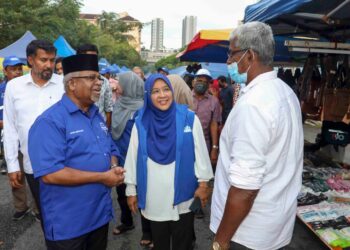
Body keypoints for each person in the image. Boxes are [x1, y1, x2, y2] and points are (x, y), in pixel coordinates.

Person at [210, 21, 303, 250]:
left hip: (245, 235)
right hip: (273, 228)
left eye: (232, 53)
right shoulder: (285, 92)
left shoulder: (254, 105)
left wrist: (220, 241)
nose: (228, 61)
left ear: (249, 56)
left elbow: (245, 188)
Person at [28, 54, 125, 249]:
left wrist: (113, 166)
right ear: (72, 84)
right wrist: (102, 177)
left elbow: (111, 148)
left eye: (99, 78)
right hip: (69, 224)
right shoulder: (50, 122)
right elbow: (51, 173)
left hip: (99, 217)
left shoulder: (96, 115)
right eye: (91, 78)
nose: (99, 83)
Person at [125, 73, 213, 250]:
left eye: (166, 89)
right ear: (148, 95)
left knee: (183, 243)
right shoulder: (140, 121)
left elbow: (201, 154)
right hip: (154, 196)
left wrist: (203, 185)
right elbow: (132, 157)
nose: (162, 95)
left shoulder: (189, 118)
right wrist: (131, 189)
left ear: (172, 92)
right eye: (155, 91)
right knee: (160, 243)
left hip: (184, 196)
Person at [4, 40, 64, 223]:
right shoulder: (14, 87)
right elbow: (10, 128)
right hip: (32, 165)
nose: (49, 65)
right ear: (30, 60)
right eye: (43, 60)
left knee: (65, 215)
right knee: (46, 216)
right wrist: (13, 165)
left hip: (64, 164)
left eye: (52, 60)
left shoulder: (65, 84)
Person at [76, 44, 113, 128]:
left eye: (95, 58)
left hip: (98, 129)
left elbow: (108, 109)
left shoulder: (104, 82)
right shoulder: (70, 81)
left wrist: (105, 130)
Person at [192, 69, 221, 168]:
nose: (202, 83)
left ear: (209, 85)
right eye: (200, 80)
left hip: (204, 143)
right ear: (194, 82)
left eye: (206, 82)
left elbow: (214, 124)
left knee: (202, 171)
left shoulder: (214, 101)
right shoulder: (185, 97)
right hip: (186, 142)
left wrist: (214, 148)